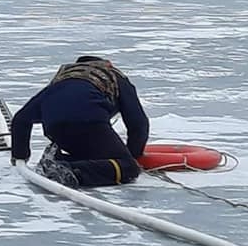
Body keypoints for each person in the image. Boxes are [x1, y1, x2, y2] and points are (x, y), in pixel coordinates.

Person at [10, 56, 149, 188]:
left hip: (55, 128)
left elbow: (20, 120)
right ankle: (72, 170)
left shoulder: (61, 81)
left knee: (92, 155)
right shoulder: (114, 75)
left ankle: (57, 160)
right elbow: (138, 123)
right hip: (90, 120)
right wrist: (133, 156)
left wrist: (20, 156)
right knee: (129, 168)